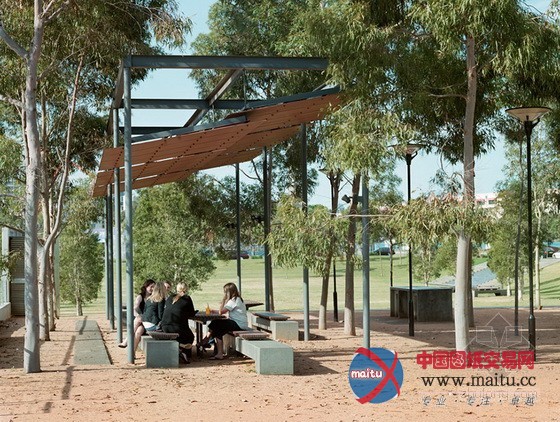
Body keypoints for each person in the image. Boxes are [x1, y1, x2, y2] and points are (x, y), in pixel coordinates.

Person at [199, 282, 249, 360]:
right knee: (217, 327)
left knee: (215, 323)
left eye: (225, 292)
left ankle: (207, 340)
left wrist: (223, 301)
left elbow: (221, 312)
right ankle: (213, 346)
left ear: (229, 292)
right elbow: (223, 311)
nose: (224, 293)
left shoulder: (233, 300)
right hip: (239, 323)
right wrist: (213, 311)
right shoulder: (237, 299)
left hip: (238, 324)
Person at [161, 282, 196, 363]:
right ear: (186, 289)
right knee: (190, 336)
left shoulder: (170, 297)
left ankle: (180, 349)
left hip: (164, 326)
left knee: (182, 334)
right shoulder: (187, 298)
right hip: (176, 327)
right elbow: (191, 313)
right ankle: (184, 352)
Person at [118, 279, 155, 348]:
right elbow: (134, 308)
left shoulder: (154, 297)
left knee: (137, 321)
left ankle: (126, 341)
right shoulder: (140, 297)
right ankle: (133, 352)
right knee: (138, 332)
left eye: (154, 287)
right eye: (151, 287)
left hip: (149, 320)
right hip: (141, 321)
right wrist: (138, 315)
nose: (152, 289)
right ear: (146, 286)